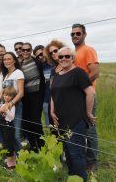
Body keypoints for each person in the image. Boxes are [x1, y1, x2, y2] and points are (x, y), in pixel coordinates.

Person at [50, 47, 96, 181]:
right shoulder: (57, 76)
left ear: (72, 58)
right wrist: (52, 110)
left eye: (67, 56)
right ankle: (72, 178)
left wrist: (88, 112)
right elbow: (53, 94)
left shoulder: (78, 73)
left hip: (76, 120)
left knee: (76, 153)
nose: (63, 59)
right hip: (61, 120)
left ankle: (81, 179)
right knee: (68, 153)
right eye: (61, 57)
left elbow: (90, 92)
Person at [71, 23, 99, 171]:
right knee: (79, 128)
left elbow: (95, 72)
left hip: (88, 95)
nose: (75, 36)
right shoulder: (74, 53)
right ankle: (83, 156)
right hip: (77, 98)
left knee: (90, 129)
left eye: (78, 33)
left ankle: (93, 162)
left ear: (84, 35)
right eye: (73, 34)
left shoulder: (88, 50)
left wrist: (80, 86)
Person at [20, 42, 45, 152]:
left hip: (37, 95)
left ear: (31, 51)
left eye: (28, 49)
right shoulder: (19, 64)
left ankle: (42, 145)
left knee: (36, 121)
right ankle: (33, 145)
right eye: (23, 50)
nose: (25, 52)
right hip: (25, 97)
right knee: (27, 122)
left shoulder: (37, 62)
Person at [0, 52, 24, 152]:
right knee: (8, 133)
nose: (6, 61)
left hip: (16, 107)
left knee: (16, 135)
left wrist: (11, 103)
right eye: (4, 59)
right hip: (6, 108)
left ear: (14, 60)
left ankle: (22, 159)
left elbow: (21, 92)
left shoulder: (18, 73)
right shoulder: (6, 75)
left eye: (9, 59)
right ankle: (12, 157)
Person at [0, 87, 17, 169]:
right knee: (5, 143)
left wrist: (7, 110)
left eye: (9, 96)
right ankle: (9, 161)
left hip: (8, 127)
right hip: (2, 127)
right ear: (3, 95)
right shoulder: (2, 104)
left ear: (12, 97)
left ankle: (11, 165)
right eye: (5, 95)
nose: (7, 97)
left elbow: (12, 117)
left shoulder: (12, 106)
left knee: (9, 144)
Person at [34, 45, 53, 126]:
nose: (40, 57)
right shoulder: (41, 66)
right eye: (38, 56)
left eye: (41, 54)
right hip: (47, 98)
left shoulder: (55, 62)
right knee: (49, 123)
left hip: (58, 97)